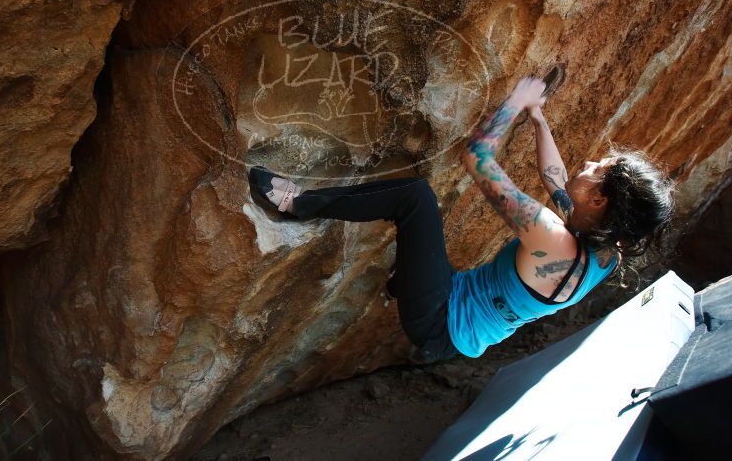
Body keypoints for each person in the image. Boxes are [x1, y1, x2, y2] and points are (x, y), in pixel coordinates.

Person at [248, 74, 676, 362]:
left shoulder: (550, 235)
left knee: (415, 198)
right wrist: (538, 118)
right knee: (424, 249)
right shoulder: (606, 247)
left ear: (600, 199)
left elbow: (475, 156)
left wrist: (516, 101)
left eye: (599, 168)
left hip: (439, 320)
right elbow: (559, 182)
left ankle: (299, 203)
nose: (589, 160)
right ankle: (403, 281)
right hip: (461, 325)